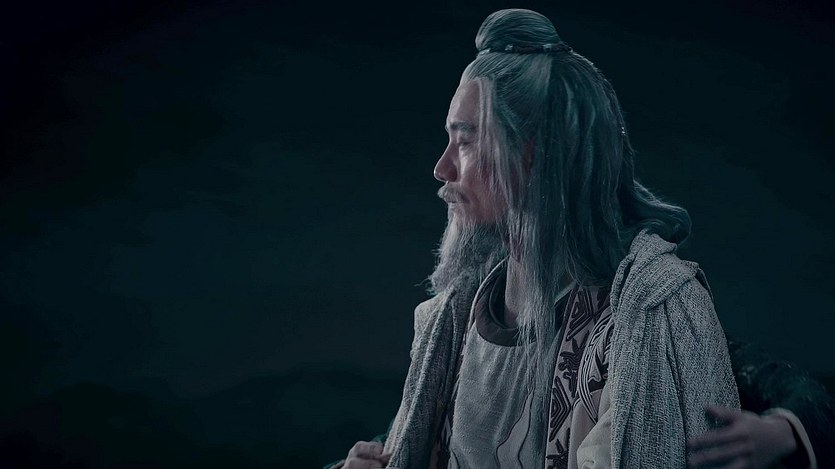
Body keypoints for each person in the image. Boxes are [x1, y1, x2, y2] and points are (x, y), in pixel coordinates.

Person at [328, 8, 827, 469]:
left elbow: (795, 392)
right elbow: (417, 438)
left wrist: (785, 429)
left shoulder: (649, 318)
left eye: (466, 140)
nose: (442, 168)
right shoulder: (456, 320)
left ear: (535, 154)